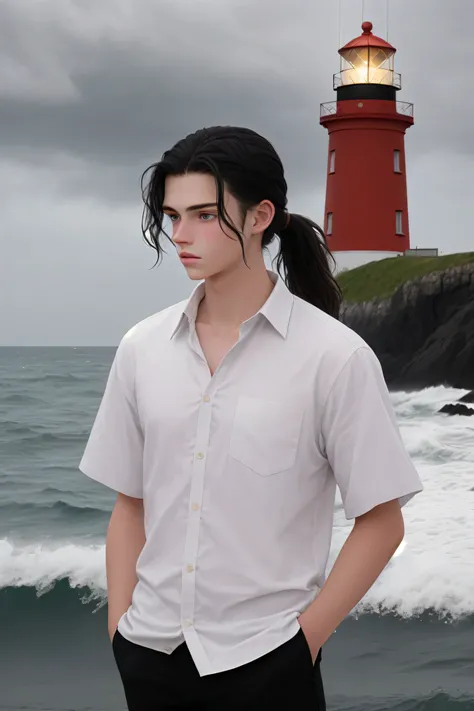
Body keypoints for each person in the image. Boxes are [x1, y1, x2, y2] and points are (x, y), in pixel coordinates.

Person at [79, 125, 423, 710]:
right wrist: (121, 629)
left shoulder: (333, 357)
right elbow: (129, 503)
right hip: (149, 656)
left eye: (204, 215)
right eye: (172, 215)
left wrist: (302, 645)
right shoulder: (141, 347)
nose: (180, 235)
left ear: (261, 215)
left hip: (269, 666)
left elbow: (382, 521)